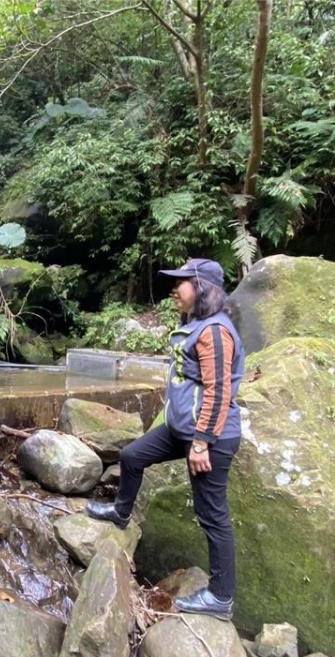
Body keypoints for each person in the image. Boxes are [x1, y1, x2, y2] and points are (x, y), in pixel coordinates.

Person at [85, 258, 245, 621]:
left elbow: (218, 391)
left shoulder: (215, 333)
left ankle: (221, 597)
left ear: (204, 288)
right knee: (132, 456)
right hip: (182, 429)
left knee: (212, 517)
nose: (176, 288)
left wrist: (202, 442)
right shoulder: (198, 325)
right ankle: (121, 512)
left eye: (183, 282)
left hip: (209, 438)